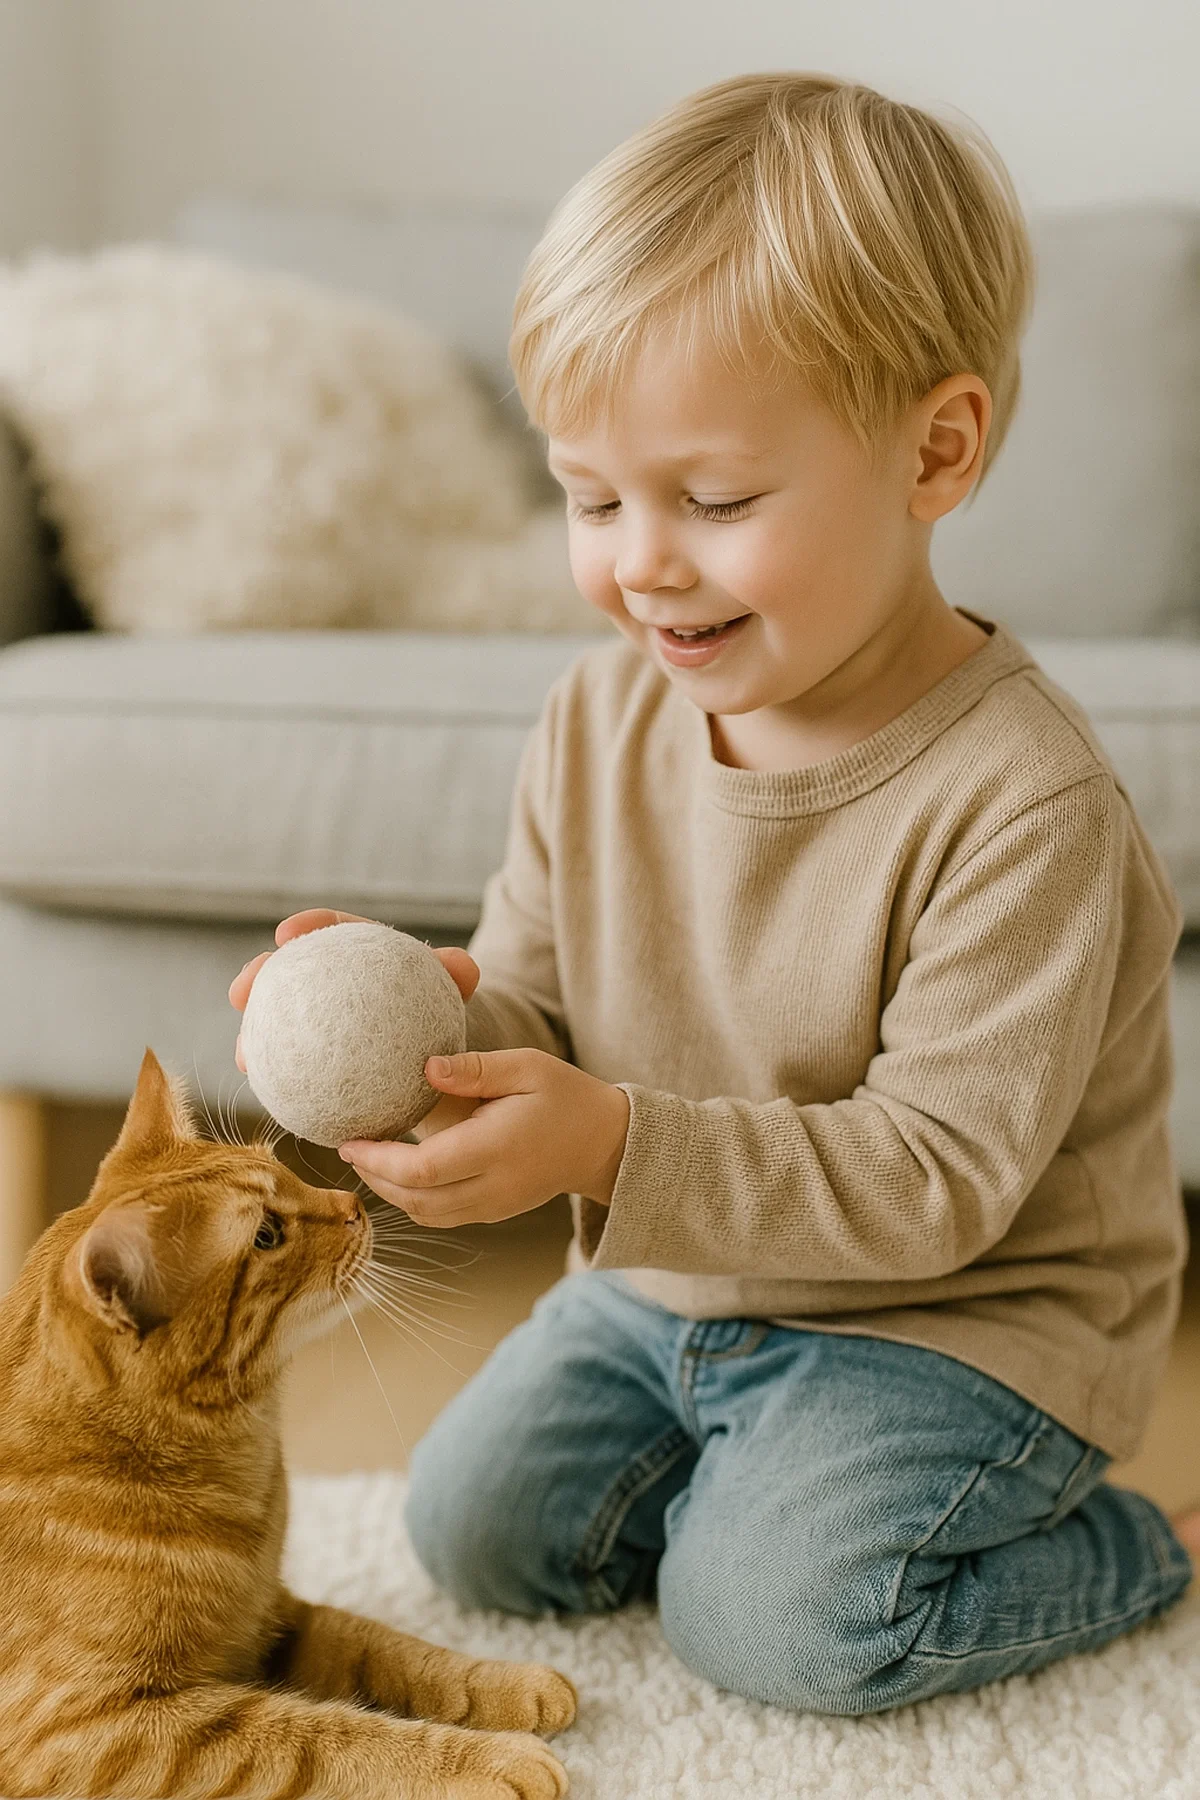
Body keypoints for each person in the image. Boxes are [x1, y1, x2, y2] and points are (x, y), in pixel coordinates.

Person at [230, 71, 1196, 1714]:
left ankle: (1140, 1547)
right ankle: (759, 1477)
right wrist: (419, 1028)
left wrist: (612, 1146)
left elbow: (935, 1182)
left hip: (959, 1326)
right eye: (592, 497)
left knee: (784, 1628)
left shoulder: (1024, 802)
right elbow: (541, 996)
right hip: (672, 1290)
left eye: (717, 501)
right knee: (473, 1531)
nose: (642, 562)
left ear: (936, 451)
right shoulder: (598, 718)